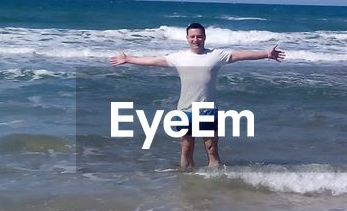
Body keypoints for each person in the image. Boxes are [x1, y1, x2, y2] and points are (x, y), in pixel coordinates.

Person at [111, 22, 284, 168]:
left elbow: (240, 55)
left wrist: (266, 54)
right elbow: (153, 61)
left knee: (212, 149)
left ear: (204, 38)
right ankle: (187, 183)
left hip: (208, 110)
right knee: (187, 147)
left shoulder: (215, 55)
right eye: (192, 36)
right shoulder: (178, 57)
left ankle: (214, 181)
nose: (196, 39)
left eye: (199, 36)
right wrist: (129, 59)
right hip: (185, 110)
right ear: (187, 38)